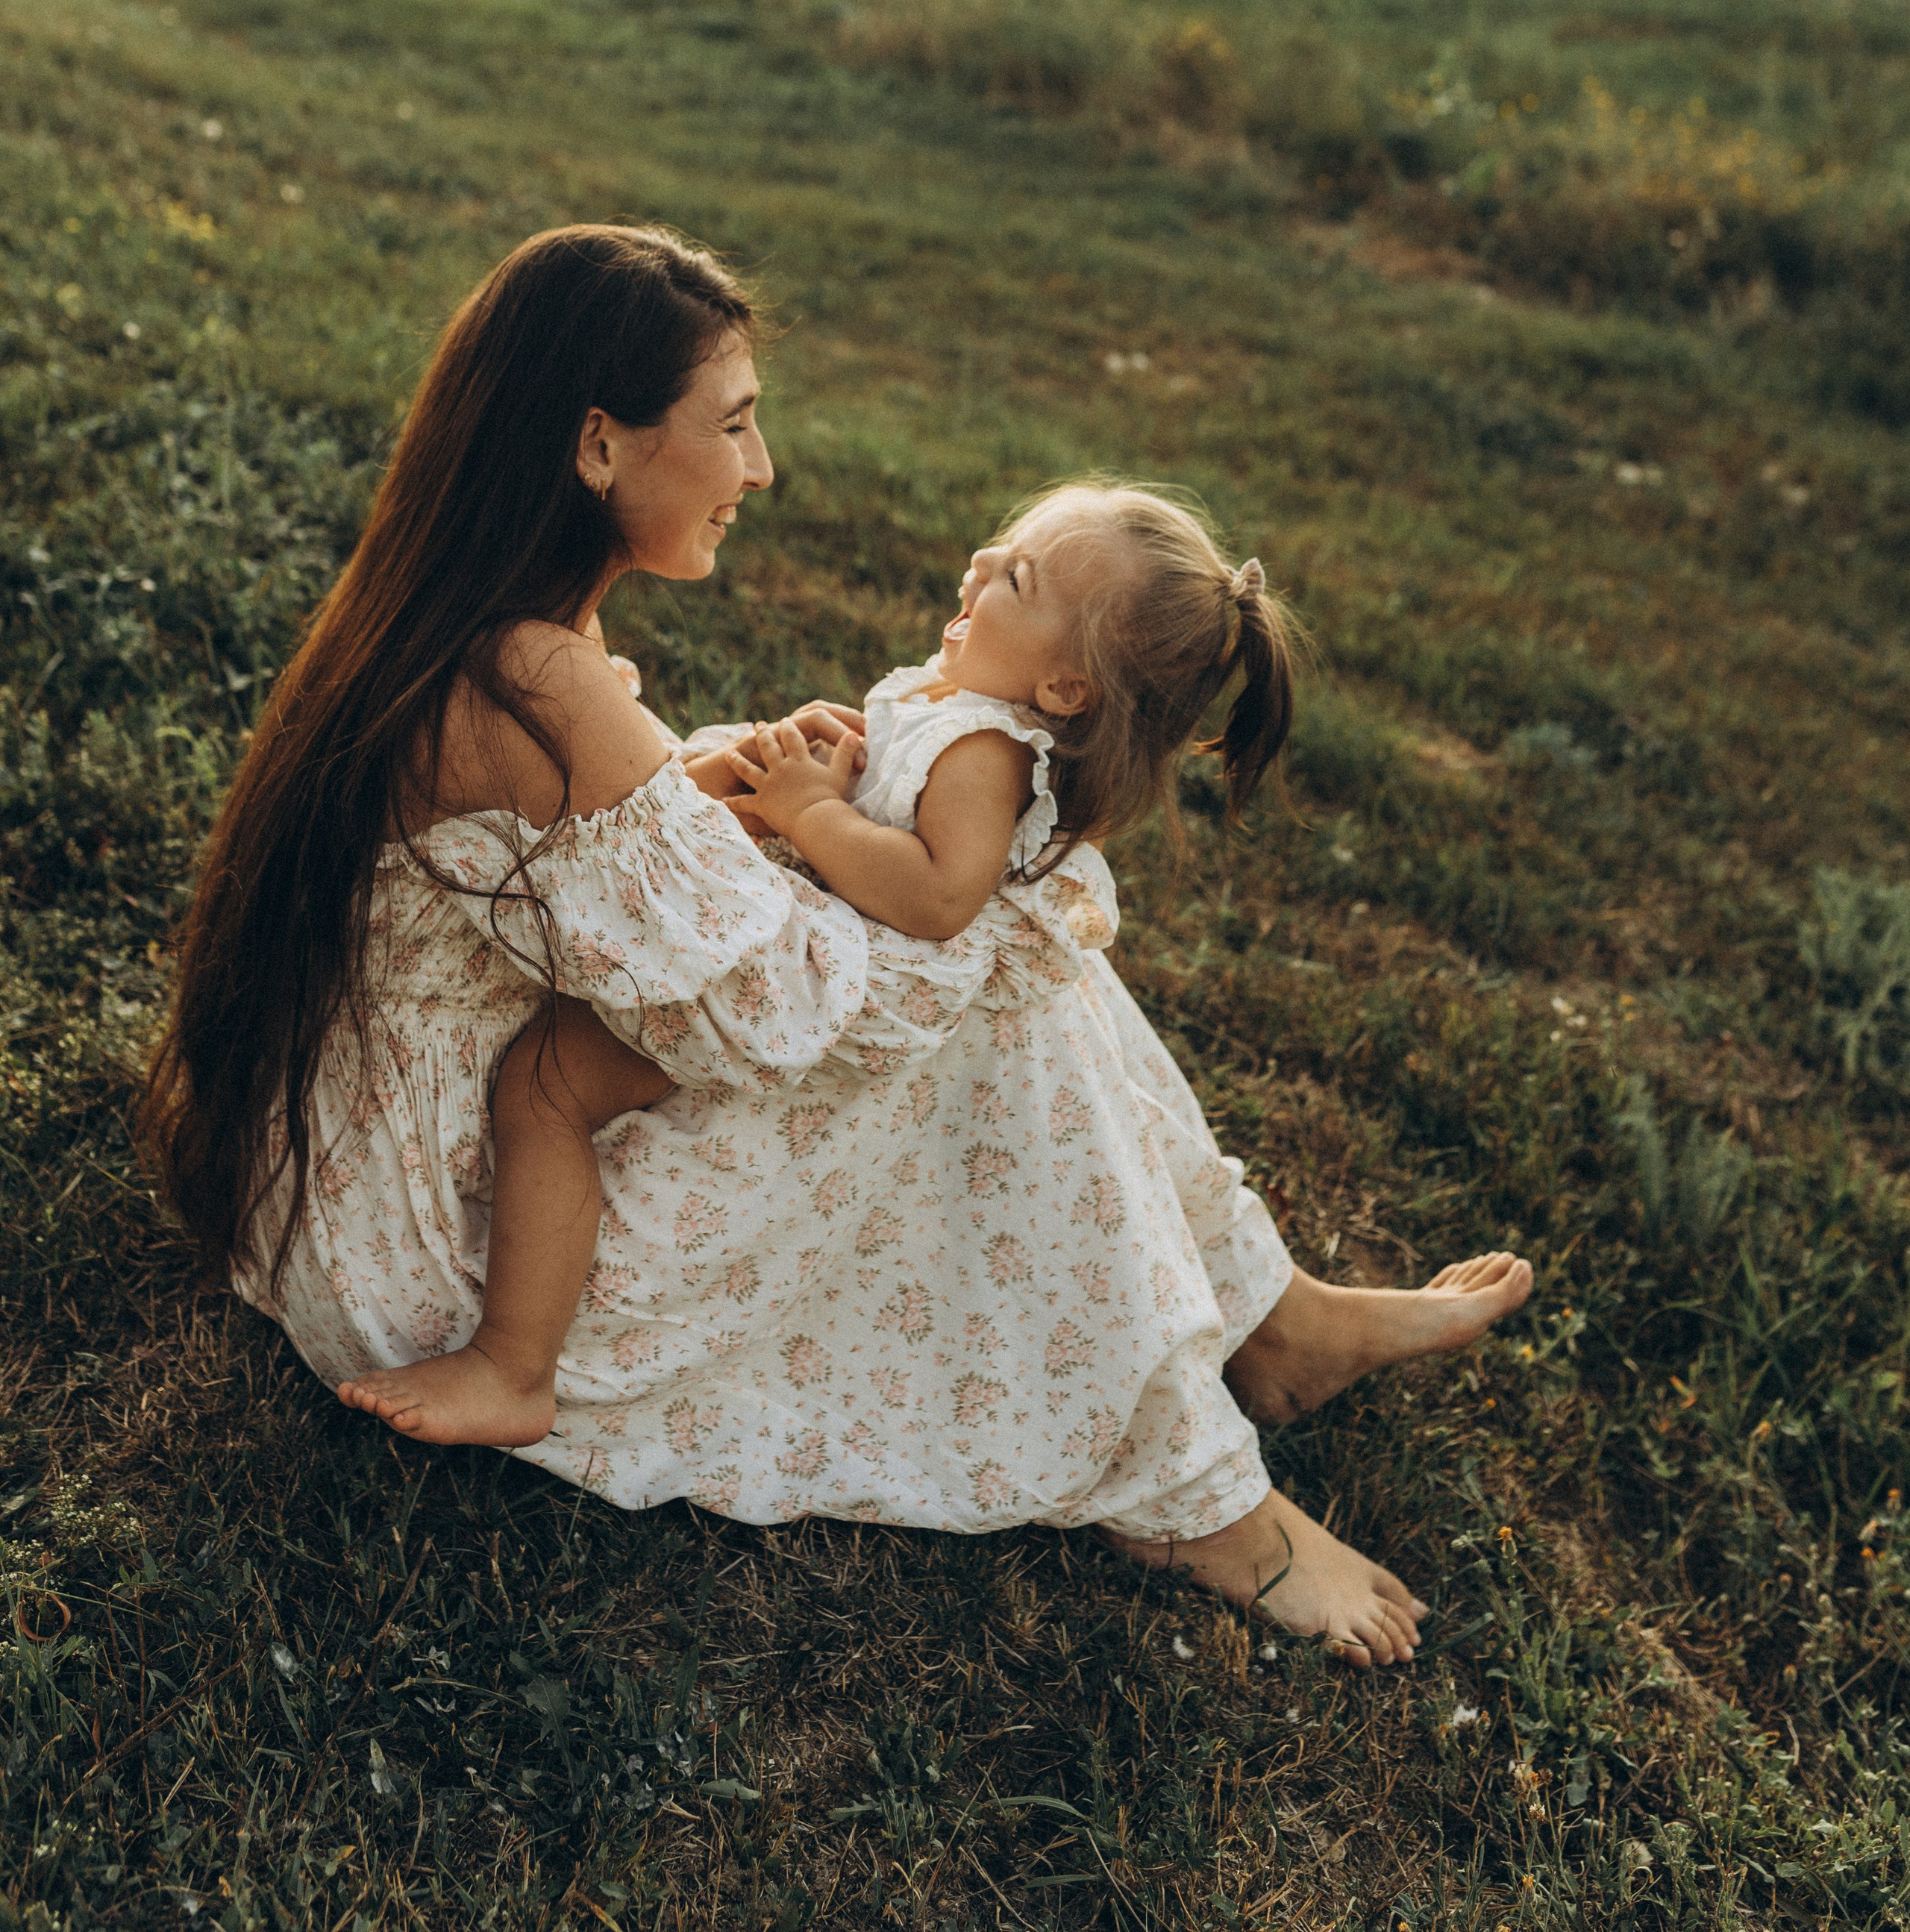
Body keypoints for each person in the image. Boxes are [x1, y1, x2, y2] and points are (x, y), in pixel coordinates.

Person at [144, 225, 1532, 1665]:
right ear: (600, 445)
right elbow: (776, 1014)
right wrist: (934, 887)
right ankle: (1198, 1493)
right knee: (997, 978)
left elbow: (566, 856)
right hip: (446, 1246)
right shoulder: (539, 677)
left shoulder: (482, 623)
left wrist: (743, 802)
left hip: (380, 1139)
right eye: (733, 425)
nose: (761, 470)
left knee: (987, 938)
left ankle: (1269, 1314)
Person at [335, 482, 1291, 1452]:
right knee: (545, 1079)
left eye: (1017, 578)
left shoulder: (987, 752)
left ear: (1066, 691)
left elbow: (936, 896)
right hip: (794, 937)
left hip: (811, 985)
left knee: (545, 1086)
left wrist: (811, 814)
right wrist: (820, 781)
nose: (978, 570)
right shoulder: (957, 711)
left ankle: (512, 1366)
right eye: (999, 548)